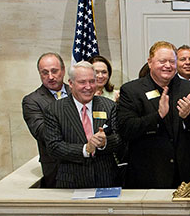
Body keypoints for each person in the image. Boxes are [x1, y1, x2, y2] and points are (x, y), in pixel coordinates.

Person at [118, 41, 190, 188]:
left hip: (186, 178)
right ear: (150, 62)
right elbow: (126, 129)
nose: (167, 65)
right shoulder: (132, 91)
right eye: (162, 61)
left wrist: (189, 115)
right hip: (149, 176)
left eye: (172, 61)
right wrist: (157, 116)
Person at [43, 61, 122, 188]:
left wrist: (104, 143)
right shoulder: (54, 110)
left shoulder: (109, 106)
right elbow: (54, 147)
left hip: (106, 180)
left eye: (92, 81)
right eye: (82, 82)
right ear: (70, 83)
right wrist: (85, 149)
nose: (89, 86)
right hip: (72, 183)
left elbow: (119, 139)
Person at [22, 52, 71, 188]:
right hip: (56, 167)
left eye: (54, 71)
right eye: (45, 72)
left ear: (63, 70)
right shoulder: (32, 101)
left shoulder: (78, 93)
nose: (50, 77)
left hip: (86, 164)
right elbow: (42, 132)